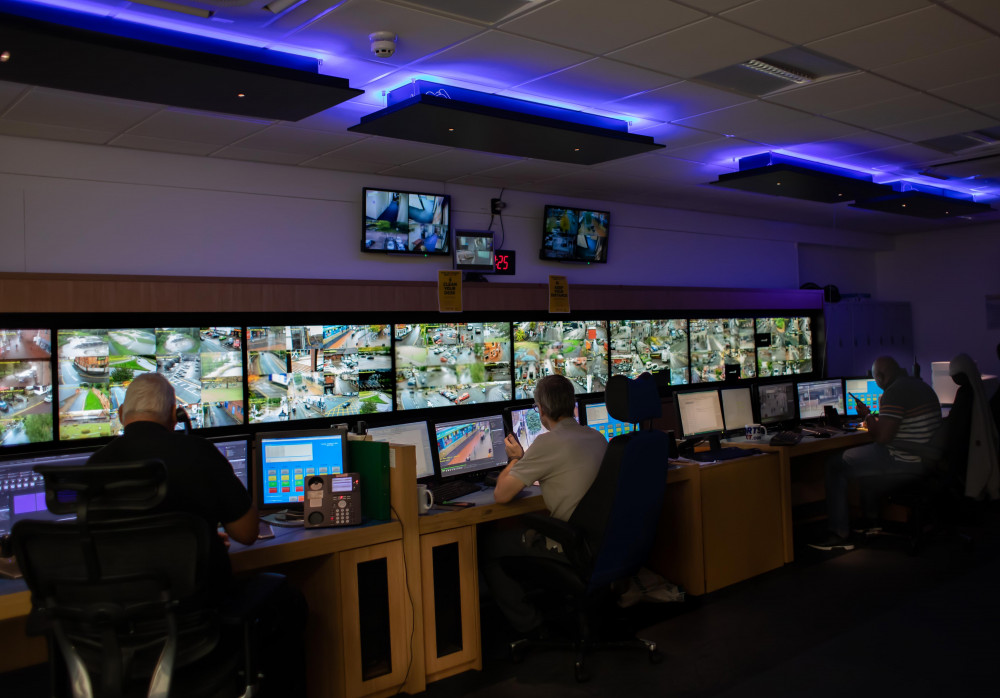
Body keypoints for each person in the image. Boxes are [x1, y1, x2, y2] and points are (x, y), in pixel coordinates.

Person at [87, 373, 305, 695]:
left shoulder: (94, 464)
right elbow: (246, 533)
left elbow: (108, 543)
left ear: (121, 414)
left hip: (118, 631)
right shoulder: (198, 452)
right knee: (289, 599)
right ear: (174, 416)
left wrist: (195, 540)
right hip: (197, 623)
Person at [481, 374, 607, 635]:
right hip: (604, 542)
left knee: (488, 547)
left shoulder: (546, 443)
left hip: (572, 545)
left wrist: (516, 459)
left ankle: (533, 627)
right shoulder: (596, 437)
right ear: (573, 404)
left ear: (541, 409)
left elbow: (502, 495)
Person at [809, 356, 942, 551]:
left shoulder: (894, 392)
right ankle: (871, 523)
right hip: (924, 458)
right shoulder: (921, 386)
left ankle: (839, 534)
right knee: (863, 466)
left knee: (835, 465)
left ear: (879, 376)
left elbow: (882, 438)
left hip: (903, 458)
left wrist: (867, 416)